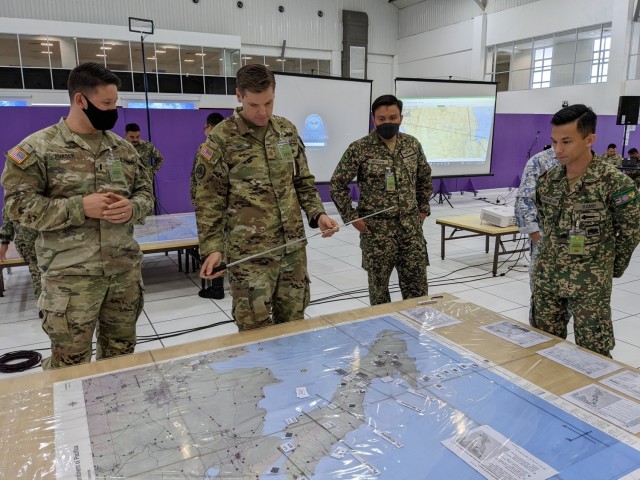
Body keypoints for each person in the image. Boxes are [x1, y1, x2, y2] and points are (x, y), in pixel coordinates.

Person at [1, 62, 154, 369]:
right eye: (106, 104)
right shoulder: (38, 149)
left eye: (115, 103)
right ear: (80, 100)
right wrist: (79, 207)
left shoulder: (123, 150)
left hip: (123, 274)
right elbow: (17, 207)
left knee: (121, 359)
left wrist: (132, 208)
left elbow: (145, 194)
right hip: (70, 281)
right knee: (71, 365)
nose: (113, 110)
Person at [193, 64, 339, 331]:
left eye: (269, 103)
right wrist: (212, 248)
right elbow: (208, 200)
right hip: (250, 256)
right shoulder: (221, 139)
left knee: (294, 325)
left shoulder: (286, 131)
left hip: (292, 250)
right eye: (254, 104)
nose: (262, 112)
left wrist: (318, 214)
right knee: (255, 332)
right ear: (239, 96)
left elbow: (302, 182)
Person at [533, 104, 640, 357]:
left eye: (567, 141)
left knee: (594, 354)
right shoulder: (548, 181)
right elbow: (544, 222)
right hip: (547, 277)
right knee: (542, 346)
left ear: (589, 139)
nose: (558, 149)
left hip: (589, 284)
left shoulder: (615, 183)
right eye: (554, 141)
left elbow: (631, 231)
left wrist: (610, 267)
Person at [330, 94, 432, 305]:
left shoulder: (412, 145)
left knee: (418, 292)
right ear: (374, 119)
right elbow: (337, 183)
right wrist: (352, 218)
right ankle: (383, 336)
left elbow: (424, 177)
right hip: (377, 233)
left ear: (401, 118)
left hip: (410, 231)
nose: (388, 123)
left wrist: (423, 209)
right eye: (382, 119)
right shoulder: (360, 148)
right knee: (379, 294)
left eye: (392, 118)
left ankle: (416, 334)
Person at [514, 142, 562, 323]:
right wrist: (536, 237)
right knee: (544, 313)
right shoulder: (540, 162)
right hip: (546, 246)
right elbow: (524, 200)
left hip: (585, 256)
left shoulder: (598, 168)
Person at [190, 112, 225, 300]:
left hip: (210, 206)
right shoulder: (231, 145)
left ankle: (216, 287)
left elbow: (200, 177)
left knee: (212, 244)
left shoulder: (206, 148)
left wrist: (196, 199)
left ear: (211, 127)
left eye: (206, 126)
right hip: (226, 206)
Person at [0, 205, 42, 305]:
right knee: (37, 270)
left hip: (47, 239)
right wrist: (4, 244)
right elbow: (7, 220)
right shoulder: (14, 197)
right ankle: (43, 305)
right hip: (28, 242)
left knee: (44, 271)